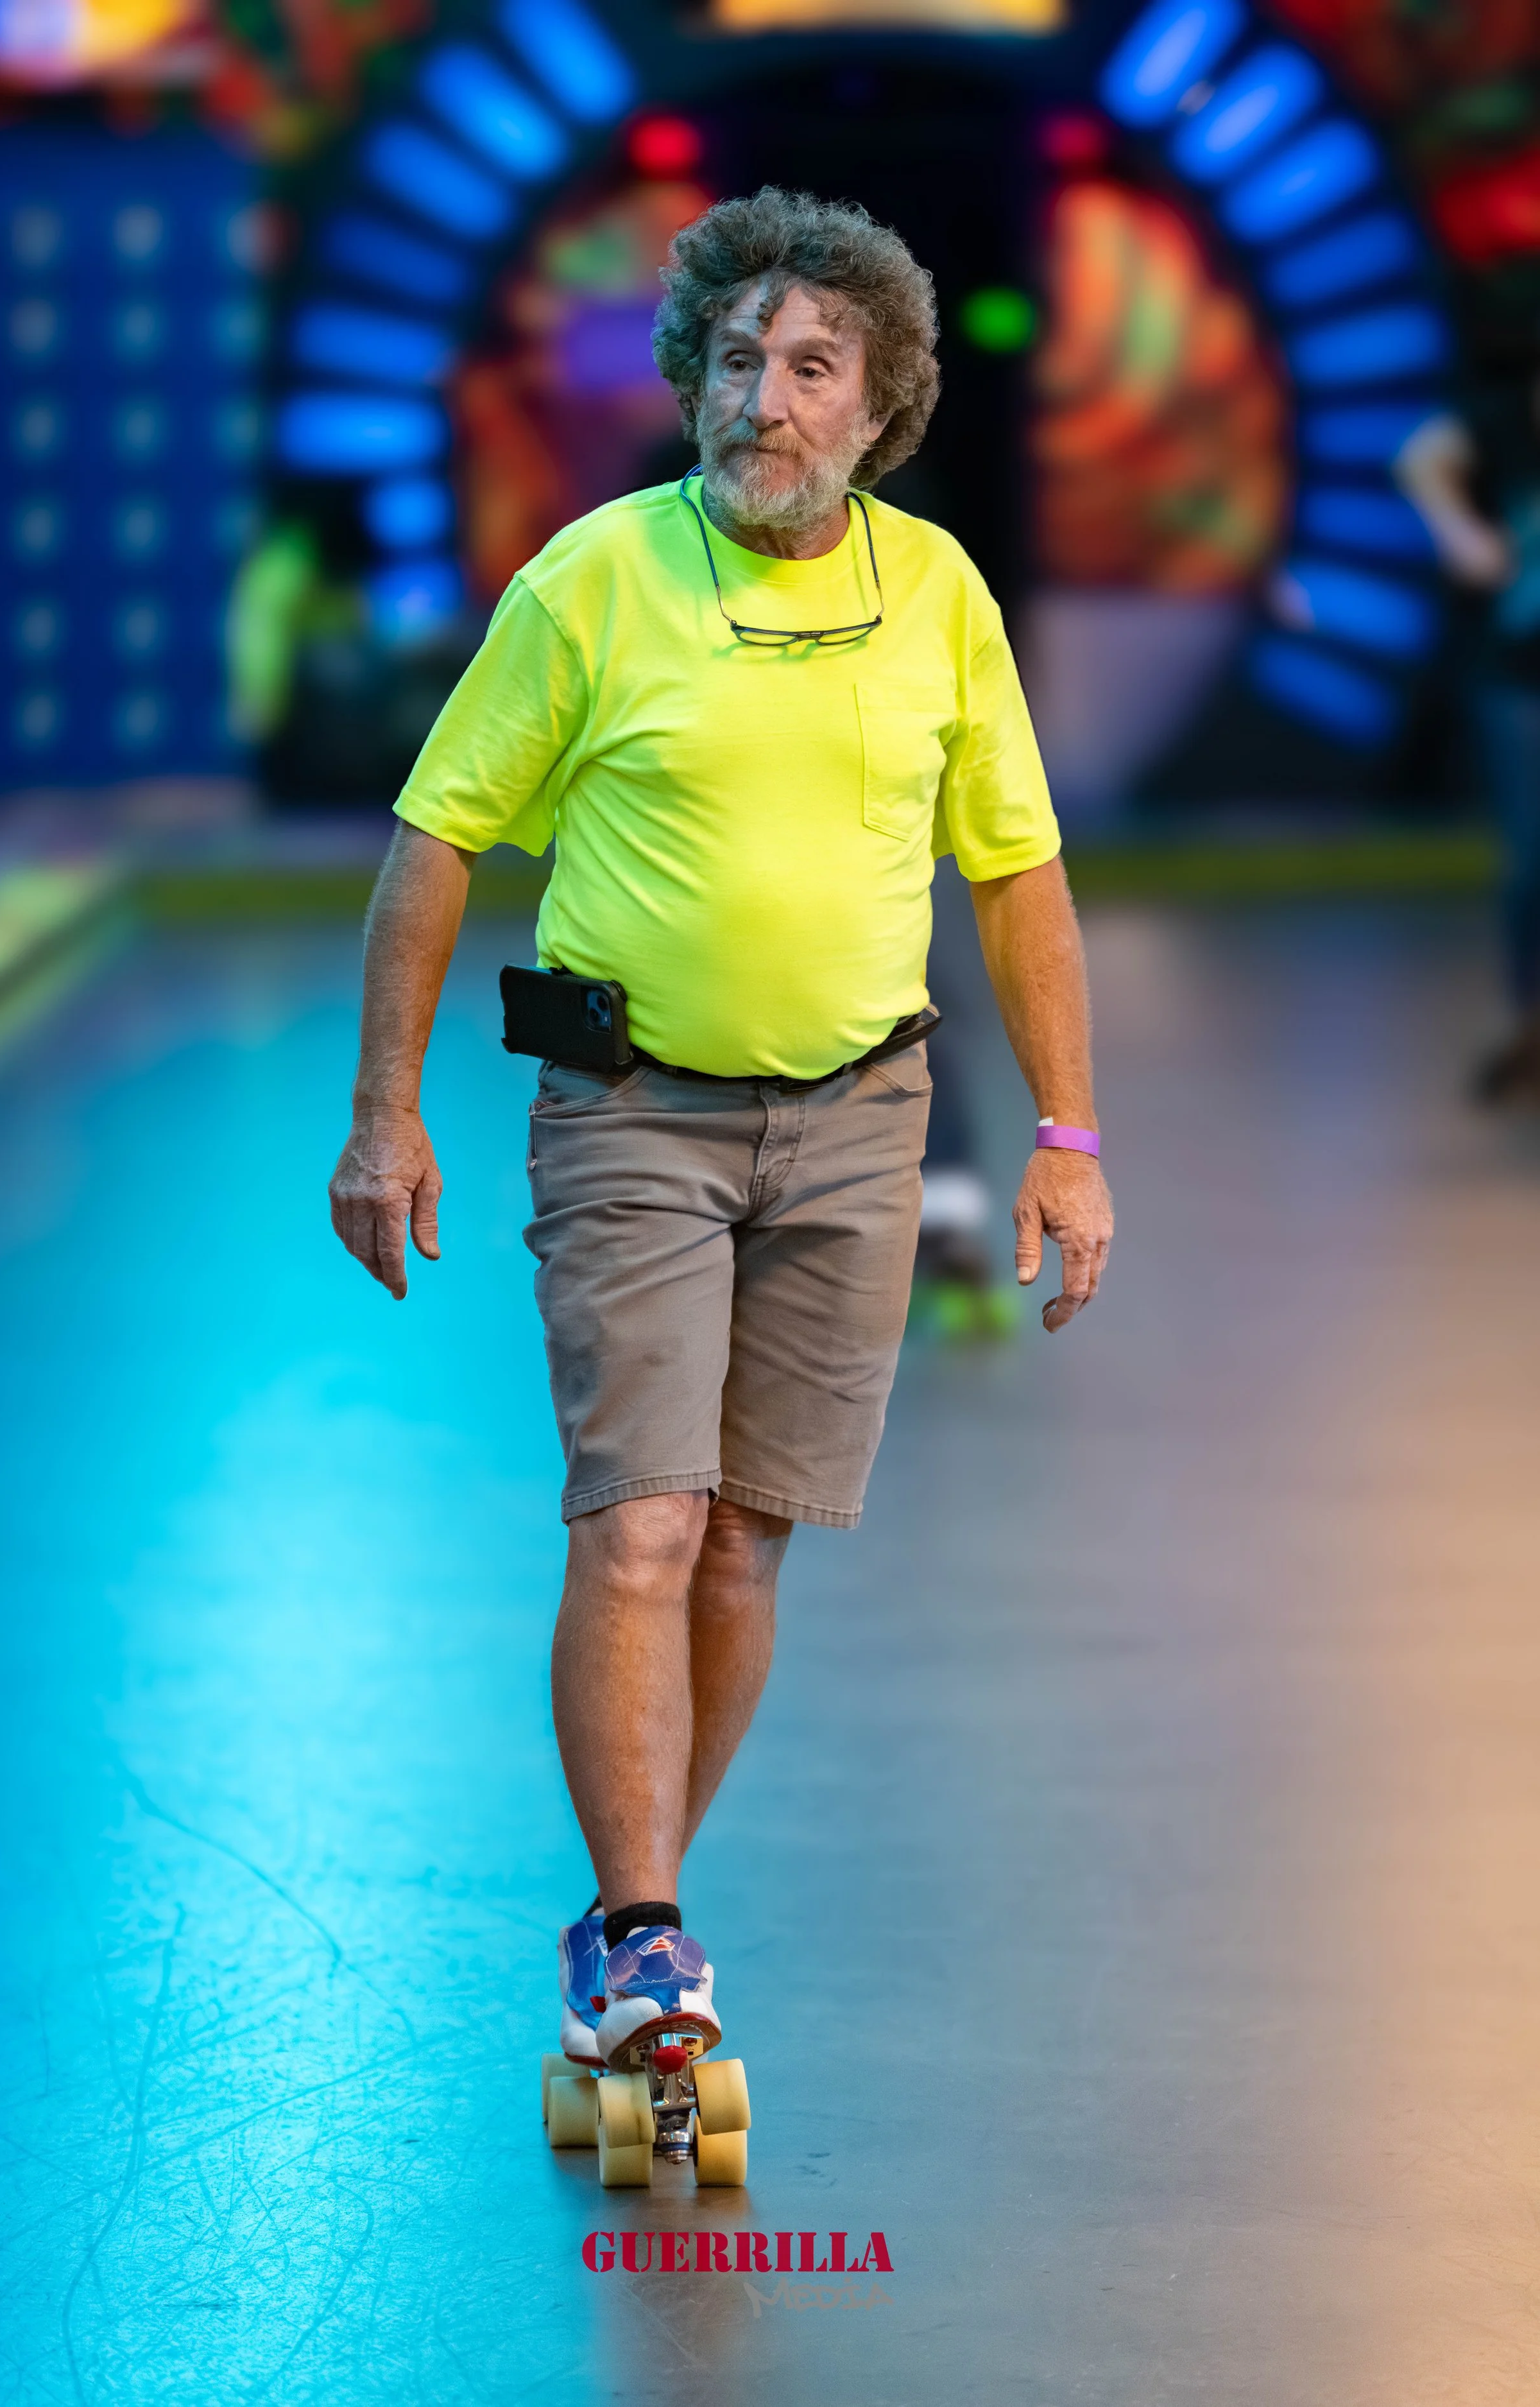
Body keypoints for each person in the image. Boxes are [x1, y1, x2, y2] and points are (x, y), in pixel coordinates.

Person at [328, 189, 1113, 2142]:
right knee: (642, 1522)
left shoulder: (935, 595)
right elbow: (435, 839)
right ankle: (653, 1928)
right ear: (693, 377)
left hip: (860, 1116)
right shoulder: (591, 580)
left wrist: (1070, 1140)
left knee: (747, 1536)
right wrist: (384, 1105)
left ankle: (623, 1926)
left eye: (807, 370)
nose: (760, 399)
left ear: (876, 412)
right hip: (628, 1112)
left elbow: (1012, 870)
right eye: (735, 361)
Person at [1396, 340, 1540, 1102]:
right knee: (1530, 860)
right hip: (1516, 676)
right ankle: (1527, 1018)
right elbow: (1421, 457)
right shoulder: (1499, 423)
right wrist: (1459, 532)